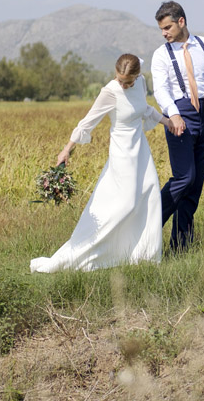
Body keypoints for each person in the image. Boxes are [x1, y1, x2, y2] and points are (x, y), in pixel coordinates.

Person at [30, 53, 172, 273]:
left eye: (128, 82)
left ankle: (143, 256)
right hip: (121, 153)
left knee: (149, 196)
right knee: (124, 204)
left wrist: (168, 122)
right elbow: (88, 122)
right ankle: (84, 253)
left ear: (138, 76)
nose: (124, 85)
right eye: (120, 80)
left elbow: (144, 109)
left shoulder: (141, 83)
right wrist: (67, 149)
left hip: (140, 150)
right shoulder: (110, 91)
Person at [151, 1, 204, 251]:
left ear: (181, 21)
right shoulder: (161, 54)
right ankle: (148, 225)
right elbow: (160, 89)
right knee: (184, 177)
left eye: (167, 27)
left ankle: (181, 246)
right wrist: (174, 114)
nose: (164, 33)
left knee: (195, 185)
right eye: (161, 29)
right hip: (178, 116)